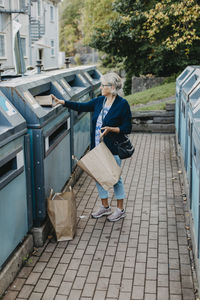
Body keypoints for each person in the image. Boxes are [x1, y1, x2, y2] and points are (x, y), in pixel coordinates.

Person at [51, 72, 132, 222]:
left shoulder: (122, 104)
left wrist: (111, 129)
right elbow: (81, 106)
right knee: (98, 176)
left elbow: (127, 127)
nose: (100, 87)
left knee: (115, 179)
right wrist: (62, 102)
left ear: (112, 87)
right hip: (97, 148)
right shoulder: (99, 101)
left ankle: (120, 209)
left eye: (103, 85)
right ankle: (105, 207)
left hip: (112, 148)